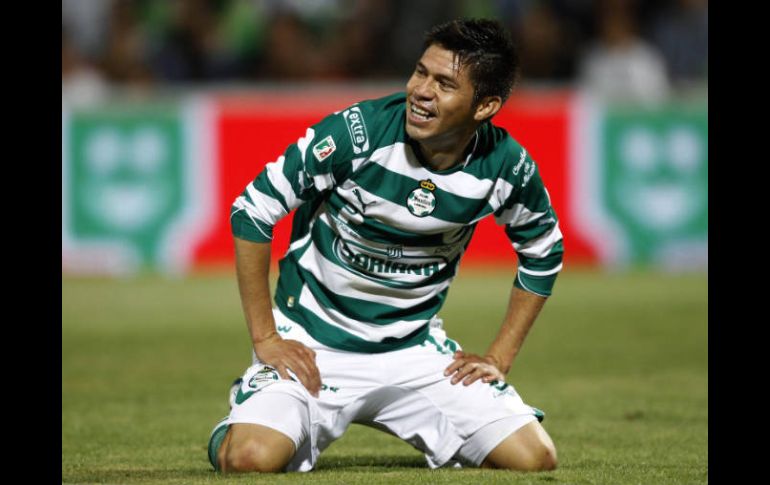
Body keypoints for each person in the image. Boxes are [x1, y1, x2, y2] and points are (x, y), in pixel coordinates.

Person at [207, 18, 563, 473]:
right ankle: (240, 419)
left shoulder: (505, 165)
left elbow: (543, 249)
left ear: (486, 105)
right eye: (420, 72)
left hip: (414, 352)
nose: (421, 91)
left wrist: (499, 357)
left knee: (535, 458)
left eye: (444, 84)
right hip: (313, 344)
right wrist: (266, 338)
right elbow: (253, 208)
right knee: (249, 458)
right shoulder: (357, 133)